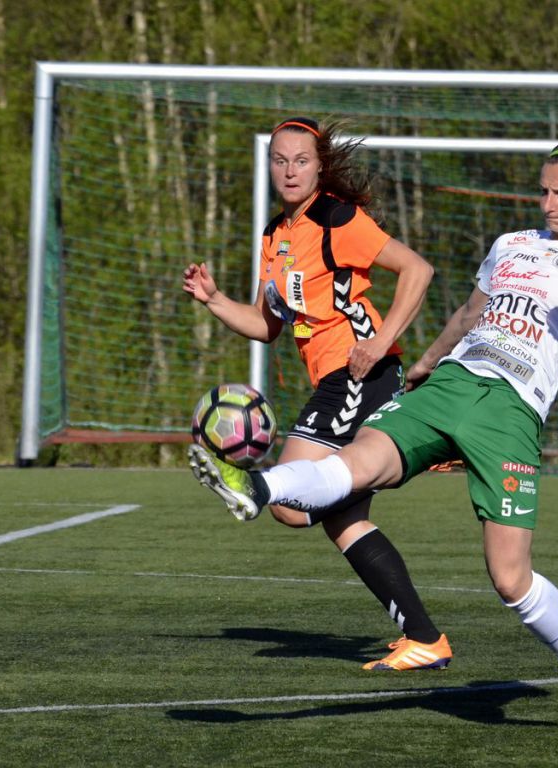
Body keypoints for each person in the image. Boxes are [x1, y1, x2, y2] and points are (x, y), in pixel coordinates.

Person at [187, 140, 558, 732]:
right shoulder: (509, 245)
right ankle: (256, 488)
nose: (549, 203)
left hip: (512, 407)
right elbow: (468, 315)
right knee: (359, 463)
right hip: (452, 382)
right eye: (544, 191)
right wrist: (424, 364)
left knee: (510, 580)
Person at [182, 117, 451, 671]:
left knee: (287, 503)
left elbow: (418, 270)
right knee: (342, 520)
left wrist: (380, 341)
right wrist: (213, 299)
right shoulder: (274, 236)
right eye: (280, 160)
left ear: (320, 166)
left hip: (359, 374)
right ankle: (425, 638)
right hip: (337, 379)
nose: (289, 170)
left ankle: (424, 448)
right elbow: (266, 325)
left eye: (301, 160)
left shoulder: (337, 218)